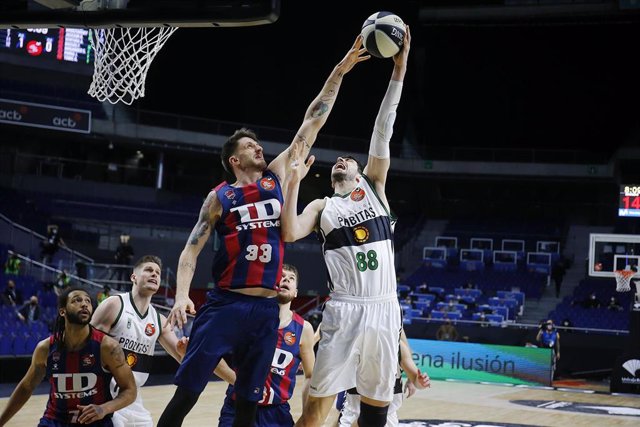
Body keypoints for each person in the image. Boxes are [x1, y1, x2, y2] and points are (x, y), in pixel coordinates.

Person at [157, 36, 369, 427]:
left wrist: (340, 70)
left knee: (247, 403)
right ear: (234, 159)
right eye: (251, 146)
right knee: (187, 392)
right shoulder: (219, 196)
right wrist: (182, 296)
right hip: (225, 305)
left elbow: (313, 120)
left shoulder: (275, 178)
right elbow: (191, 249)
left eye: (258, 144)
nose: (260, 149)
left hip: (265, 309)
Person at [282, 26, 411, 427]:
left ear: (359, 171)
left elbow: (383, 127)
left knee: (376, 410)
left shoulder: (374, 186)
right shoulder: (322, 205)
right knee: (317, 410)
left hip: (386, 308)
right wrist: (294, 181)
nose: (340, 159)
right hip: (344, 310)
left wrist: (399, 71)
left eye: (347, 159)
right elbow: (288, 232)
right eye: (336, 160)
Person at [0, 287, 137, 426]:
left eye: (88, 301)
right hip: (55, 421)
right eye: (77, 300)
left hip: (97, 422)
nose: (84, 304)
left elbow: (130, 390)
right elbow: (26, 387)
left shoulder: (108, 347)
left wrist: (104, 409)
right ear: (62, 311)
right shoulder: (45, 348)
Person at [90, 255, 186, 427]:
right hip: (105, 397)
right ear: (133, 277)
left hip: (134, 399)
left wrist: (185, 349)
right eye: (149, 270)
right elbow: (86, 349)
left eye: (157, 272)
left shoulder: (159, 321)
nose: (154, 274)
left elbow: (183, 358)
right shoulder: (114, 305)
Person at [216, 263, 316, 427]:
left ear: (296, 292)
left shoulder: (304, 329)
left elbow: (310, 375)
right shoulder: (246, 317)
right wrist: (240, 382)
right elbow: (214, 358)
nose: (286, 279)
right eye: (281, 276)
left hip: (276, 413)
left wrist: (307, 414)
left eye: (291, 279)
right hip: (238, 406)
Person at [336, 330, 430, 427]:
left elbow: (415, 379)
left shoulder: (399, 346)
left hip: (388, 417)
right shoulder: (356, 342)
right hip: (354, 414)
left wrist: (420, 382)